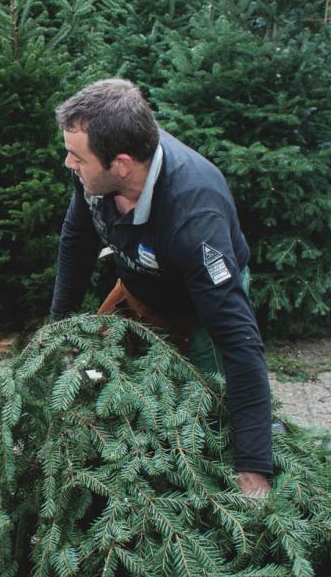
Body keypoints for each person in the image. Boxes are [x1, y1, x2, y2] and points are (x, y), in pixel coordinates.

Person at [49, 78, 273, 496]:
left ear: (121, 164)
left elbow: (237, 337)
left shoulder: (195, 217)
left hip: (203, 307)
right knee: (94, 378)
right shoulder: (96, 178)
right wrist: (58, 326)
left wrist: (254, 465)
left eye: (77, 157)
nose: (67, 163)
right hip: (139, 289)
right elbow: (77, 239)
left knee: (208, 412)